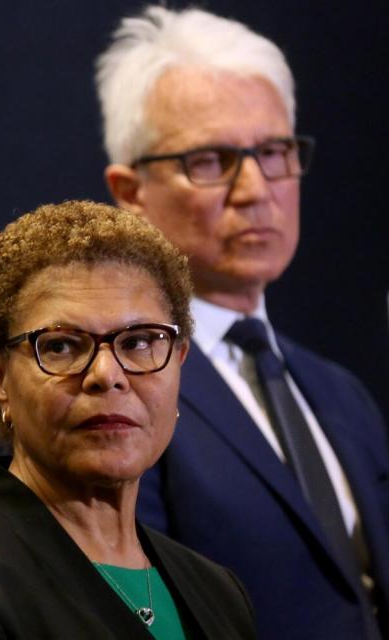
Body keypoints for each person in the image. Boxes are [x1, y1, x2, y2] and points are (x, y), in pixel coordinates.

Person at [98, 7, 389, 639]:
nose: (255, 188)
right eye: (211, 160)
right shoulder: (115, 395)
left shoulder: (341, 394)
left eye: (274, 151)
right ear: (130, 192)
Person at [0, 199, 256, 639]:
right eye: (60, 346)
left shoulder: (221, 594)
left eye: (138, 342)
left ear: (178, 362)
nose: (106, 376)